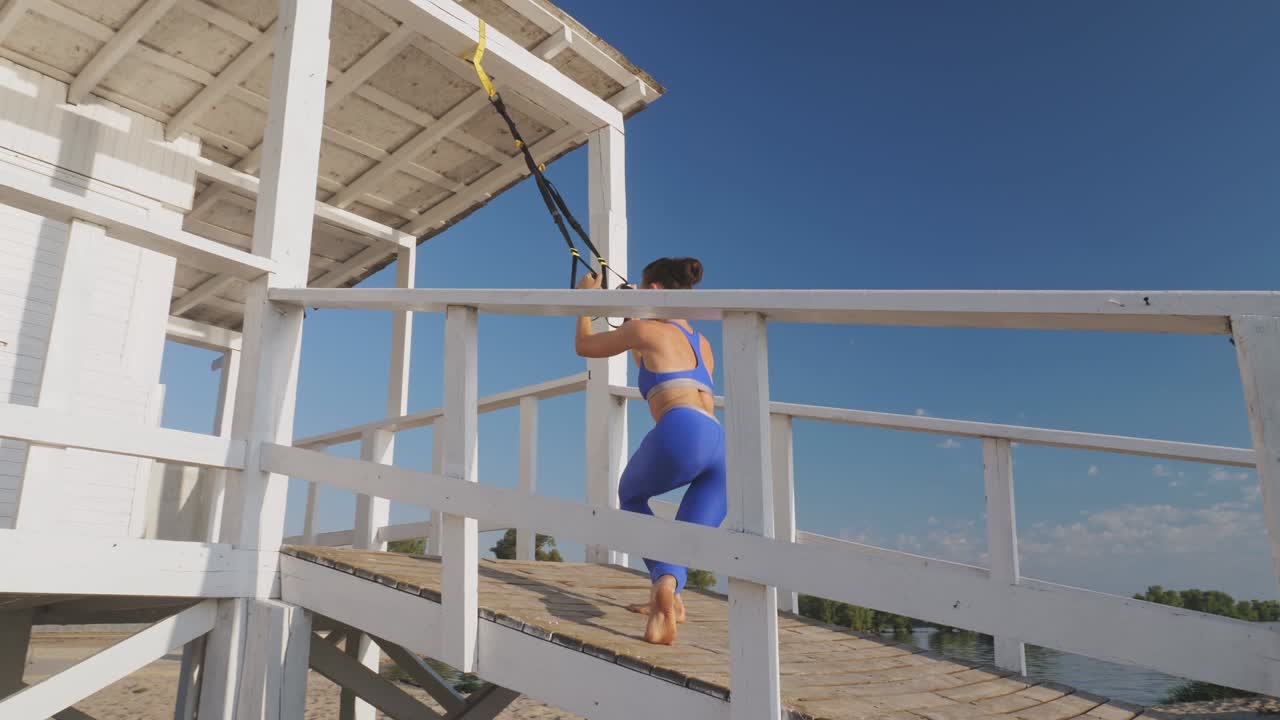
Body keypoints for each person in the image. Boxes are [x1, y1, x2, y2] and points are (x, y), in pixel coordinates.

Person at [574, 257, 726, 645]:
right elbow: (647, 355)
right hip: (721, 445)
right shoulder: (702, 342)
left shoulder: (644, 329)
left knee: (631, 496)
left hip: (682, 430)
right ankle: (669, 597)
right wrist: (630, 313)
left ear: (654, 291)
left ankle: (662, 594)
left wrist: (584, 302)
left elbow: (585, 346)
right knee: (688, 532)